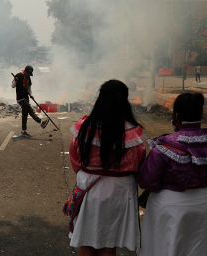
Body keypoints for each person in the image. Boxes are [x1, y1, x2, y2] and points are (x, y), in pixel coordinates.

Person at [136, 93, 207, 256]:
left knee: (165, 247)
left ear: (176, 116)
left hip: (170, 207)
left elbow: (147, 181)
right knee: (194, 247)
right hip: (203, 204)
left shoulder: (163, 146)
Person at [68, 80, 146, 256]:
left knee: (86, 241)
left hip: (89, 186)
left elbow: (75, 158)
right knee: (109, 243)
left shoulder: (84, 126)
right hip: (120, 190)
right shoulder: (133, 131)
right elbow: (139, 162)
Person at [12, 65, 49, 137]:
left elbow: (29, 88)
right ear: (24, 71)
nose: (28, 75)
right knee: (30, 111)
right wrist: (15, 81)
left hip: (26, 98)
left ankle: (23, 131)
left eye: (29, 74)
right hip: (20, 99)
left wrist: (31, 95)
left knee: (25, 115)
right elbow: (12, 86)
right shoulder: (18, 76)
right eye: (27, 73)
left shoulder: (28, 78)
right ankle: (41, 123)